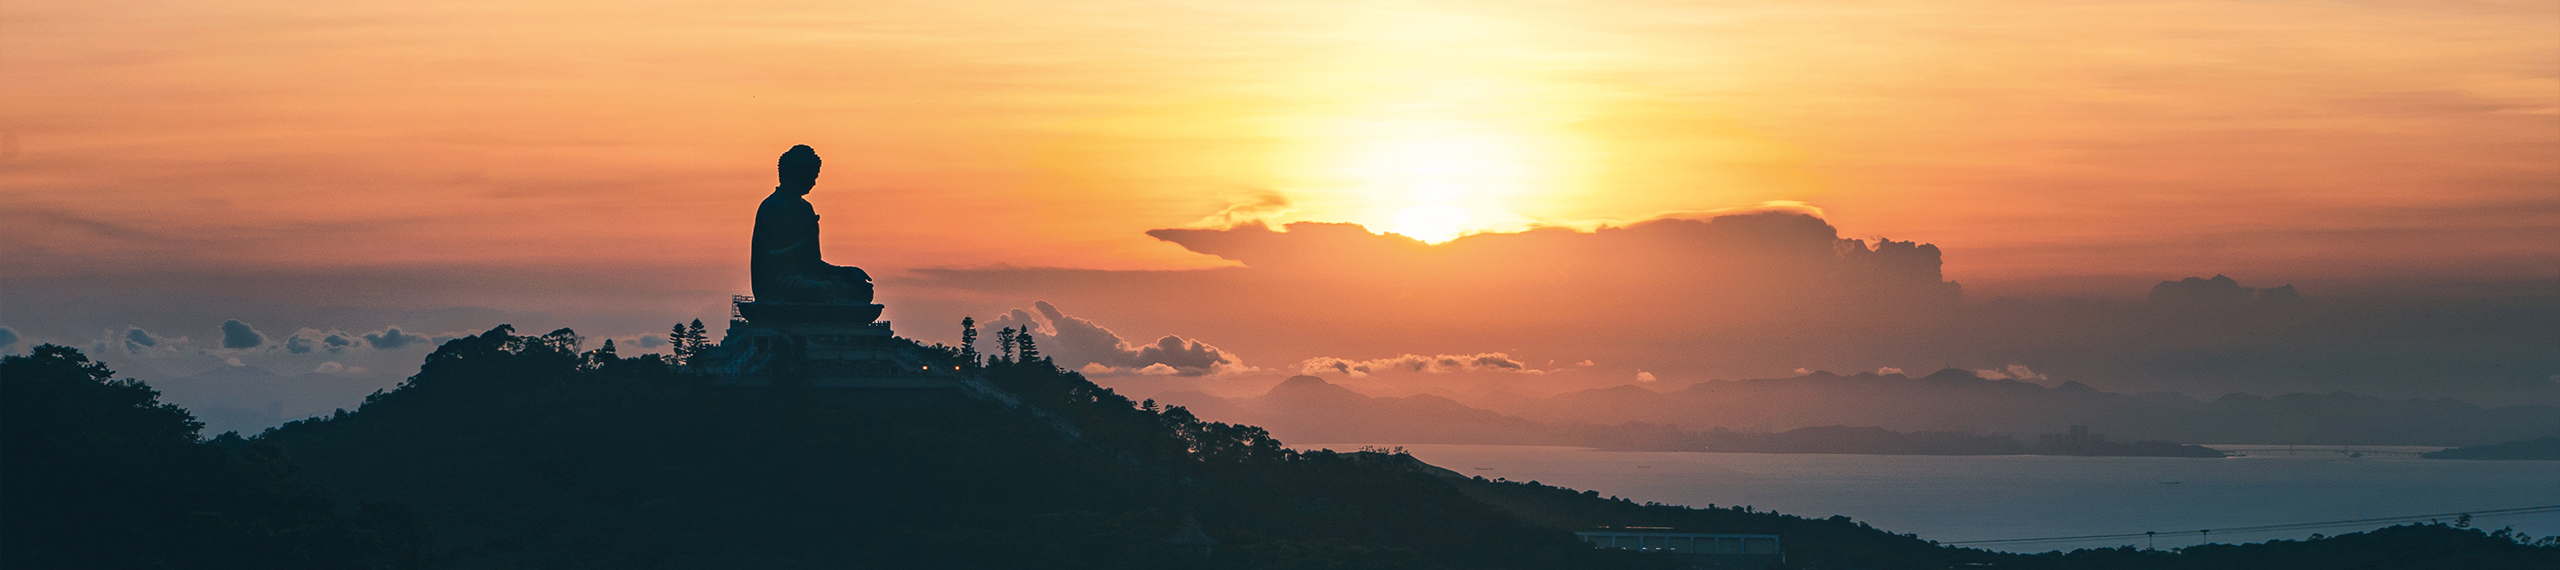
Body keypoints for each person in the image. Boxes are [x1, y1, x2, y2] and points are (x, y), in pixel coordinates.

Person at [749, 145, 874, 305]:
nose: (814, 182)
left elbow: (814, 263)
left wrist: (846, 271)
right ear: (795, 174)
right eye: (810, 176)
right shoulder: (773, 207)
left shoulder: (806, 209)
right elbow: (767, 260)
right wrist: (803, 244)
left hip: (805, 277)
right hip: (776, 284)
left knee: (860, 289)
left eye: (815, 177)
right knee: (814, 290)